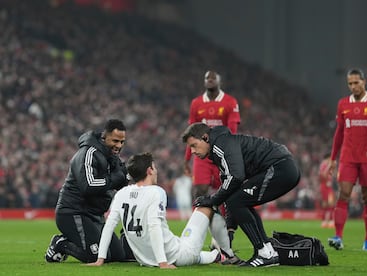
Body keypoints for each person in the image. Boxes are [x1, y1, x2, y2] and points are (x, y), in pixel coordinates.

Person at [87, 152, 240, 269]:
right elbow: (154, 226)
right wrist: (163, 262)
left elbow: (109, 226)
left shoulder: (121, 194)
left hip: (145, 259)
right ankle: (224, 249)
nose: (157, 171)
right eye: (155, 167)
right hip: (174, 255)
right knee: (206, 204)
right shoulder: (156, 192)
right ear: (149, 170)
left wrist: (100, 258)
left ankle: (217, 255)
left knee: (196, 253)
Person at [182, 123, 301, 267]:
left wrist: (212, 200)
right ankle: (268, 251)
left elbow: (236, 177)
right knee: (239, 200)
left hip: (279, 167)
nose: (193, 151)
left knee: (238, 200)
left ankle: (265, 253)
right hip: (283, 167)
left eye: (194, 145)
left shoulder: (220, 145)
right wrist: (230, 229)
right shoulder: (220, 146)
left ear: (205, 137)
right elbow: (230, 191)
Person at [45, 119, 129, 263]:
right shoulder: (88, 153)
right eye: (115, 141)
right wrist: (114, 179)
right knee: (96, 256)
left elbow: (119, 182)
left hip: (95, 215)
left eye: (122, 142)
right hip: (73, 212)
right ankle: (61, 244)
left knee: (117, 256)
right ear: (104, 137)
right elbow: (88, 185)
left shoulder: (112, 157)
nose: (118, 146)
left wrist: (125, 179)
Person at [327, 69, 367, 251]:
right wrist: (333, 158)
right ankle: (338, 237)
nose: (353, 86)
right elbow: (339, 133)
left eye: (356, 82)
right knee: (343, 194)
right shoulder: (343, 104)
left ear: (364, 82)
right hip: (348, 157)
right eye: (350, 83)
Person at [184, 70, 241, 247]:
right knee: (199, 191)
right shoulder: (196, 103)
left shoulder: (230, 102)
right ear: (204, 82)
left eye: (213, 78)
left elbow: (232, 130)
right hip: (202, 156)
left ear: (219, 81)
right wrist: (187, 158)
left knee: (224, 193)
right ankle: (195, 236)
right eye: (207, 78)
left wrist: (231, 155)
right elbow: (191, 133)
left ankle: (219, 238)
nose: (209, 80)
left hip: (221, 153)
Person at [319, 153, 335, 228]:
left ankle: (325, 221)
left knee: (328, 203)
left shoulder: (324, 165)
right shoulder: (324, 165)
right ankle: (329, 221)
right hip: (325, 186)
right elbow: (323, 175)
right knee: (328, 204)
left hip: (326, 186)